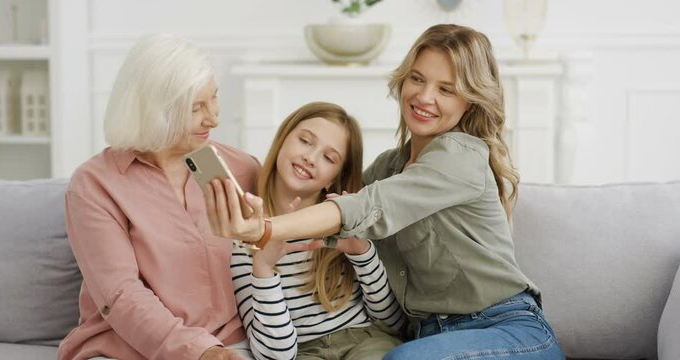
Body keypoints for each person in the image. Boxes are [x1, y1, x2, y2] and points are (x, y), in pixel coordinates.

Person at [205, 24, 565, 359]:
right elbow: (337, 205)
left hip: (504, 327)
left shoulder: (462, 156)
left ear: (468, 101)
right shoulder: (386, 169)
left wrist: (265, 229)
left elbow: (364, 206)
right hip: (429, 336)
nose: (424, 97)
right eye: (417, 79)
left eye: (446, 89)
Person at [58, 34, 260, 360]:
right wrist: (200, 352)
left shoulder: (240, 168)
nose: (214, 119)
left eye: (214, 99)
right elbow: (120, 294)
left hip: (229, 344)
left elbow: (283, 252)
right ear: (157, 111)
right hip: (123, 348)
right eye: (196, 108)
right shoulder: (95, 184)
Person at [229, 102, 405, 360]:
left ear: (334, 177)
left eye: (328, 157)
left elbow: (393, 323)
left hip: (365, 340)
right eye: (305, 141)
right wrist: (264, 269)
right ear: (283, 139)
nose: (310, 158)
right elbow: (276, 356)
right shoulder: (245, 241)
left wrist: (361, 251)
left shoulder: (347, 223)